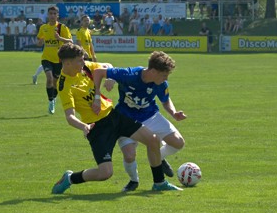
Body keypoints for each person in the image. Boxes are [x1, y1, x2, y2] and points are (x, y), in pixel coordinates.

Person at [51, 43, 182, 194]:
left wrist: (108, 82)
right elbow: (70, 117)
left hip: (115, 116)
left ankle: (159, 182)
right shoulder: (64, 85)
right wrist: (83, 127)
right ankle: (70, 178)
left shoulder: (86, 67)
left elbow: (107, 66)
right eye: (80, 60)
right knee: (105, 173)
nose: (84, 62)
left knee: (152, 139)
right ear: (67, 63)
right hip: (97, 127)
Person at [92, 51, 186, 192]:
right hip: (126, 119)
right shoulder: (129, 75)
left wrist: (173, 112)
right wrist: (97, 96)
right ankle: (133, 181)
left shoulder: (161, 84)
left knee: (178, 142)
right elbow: (98, 72)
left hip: (150, 116)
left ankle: (159, 158)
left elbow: (165, 101)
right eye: (164, 75)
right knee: (129, 156)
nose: (166, 78)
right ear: (153, 71)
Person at [36, 6, 73, 114]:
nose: (52, 16)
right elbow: (39, 40)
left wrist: (60, 39)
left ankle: (53, 98)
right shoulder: (43, 27)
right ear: (48, 15)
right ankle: (51, 100)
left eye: (54, 14)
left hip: (59, 60)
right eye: (50, 13)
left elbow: (70, 41)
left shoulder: (62, 27)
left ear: (57, 15)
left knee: (55, 84)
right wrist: (39, 42)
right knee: (49, 78)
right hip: (46, 58)